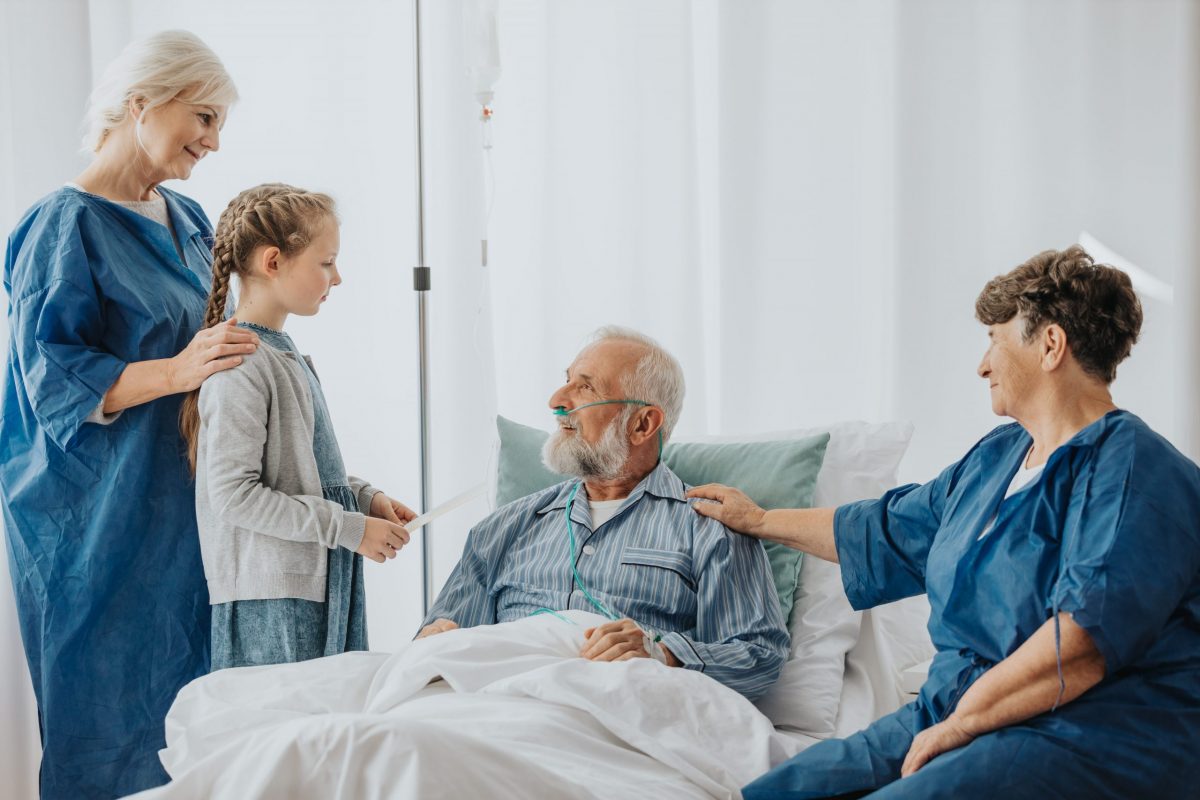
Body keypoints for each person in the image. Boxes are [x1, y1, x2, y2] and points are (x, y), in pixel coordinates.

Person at [691, 246, 1200, 798]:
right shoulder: (997, 458)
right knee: (774, 791)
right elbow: (885, 529)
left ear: (1051, 345)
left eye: (995, 341)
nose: (983, 365)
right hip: (954, 706)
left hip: (1085, 729)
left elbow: (1081, 645)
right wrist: (760, 519)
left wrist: (962, 724)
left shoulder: (1136, 469)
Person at [1, 31, 251, 799]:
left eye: (219, 125)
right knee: (111, 726)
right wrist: (178, 371)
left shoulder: (189, 216)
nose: (213, 142)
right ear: (141, 104)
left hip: (191, 510)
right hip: (97, 523)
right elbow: (54, 380)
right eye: (203, 118)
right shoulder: (62, 225)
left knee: (202, 725)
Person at [418, 327, 789, 700]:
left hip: (614, 710)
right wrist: (432, 640)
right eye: (566, 381)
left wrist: (663, 654)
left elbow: (759, 658)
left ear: (642, 424)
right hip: (495, 707)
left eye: (586, 387)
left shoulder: (713, 527)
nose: (556, 401)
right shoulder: (501, 529)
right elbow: (435, 650)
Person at [179, 183, 417, 670]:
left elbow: (299, 470)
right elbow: (234, 496)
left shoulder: (281, 355)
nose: (338, 277)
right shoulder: (241, 366)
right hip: (273, 600)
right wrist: (348, 527)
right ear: (273, 261)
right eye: (326, 263)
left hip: (317, 582)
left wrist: (363, 498)